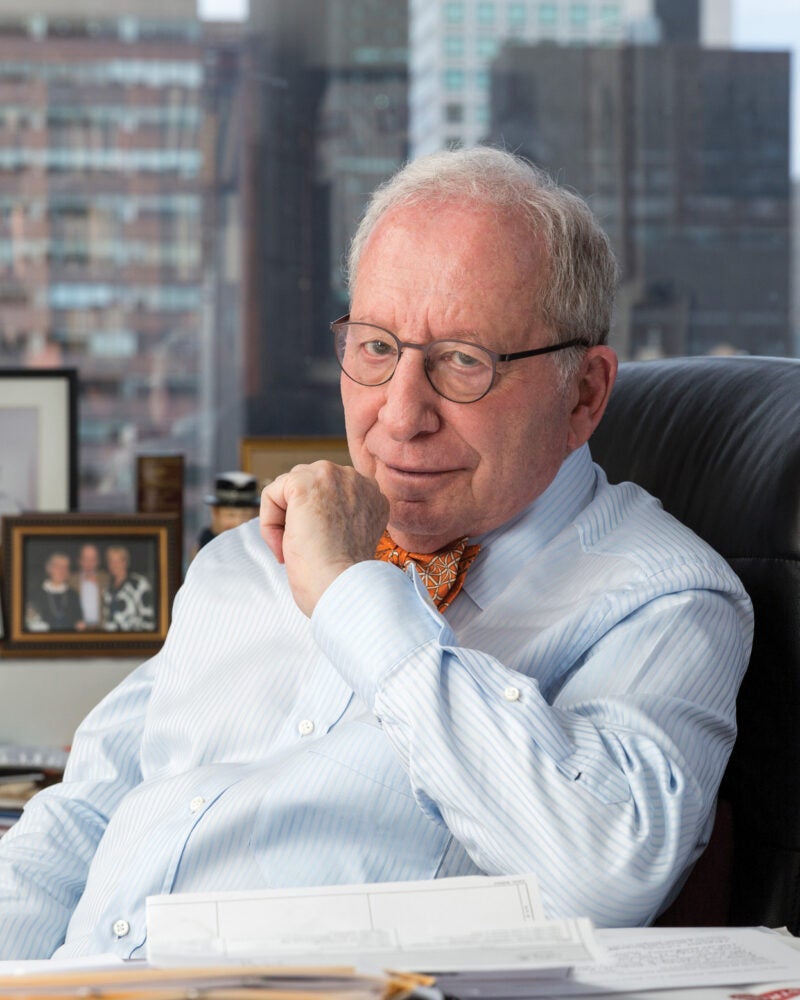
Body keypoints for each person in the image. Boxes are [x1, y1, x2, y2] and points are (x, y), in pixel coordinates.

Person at [0, 147, 752, 960]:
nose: (399, 416)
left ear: (585, 394)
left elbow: (602, 871)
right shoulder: (248, 559)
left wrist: (354, 594)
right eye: (375, 349)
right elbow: (82, 817)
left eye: (464, 361)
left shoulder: (667, 599)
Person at [195, 471, 261, 551]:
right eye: (231, 515)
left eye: (245, 515)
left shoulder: (263, 546)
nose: (238, 522)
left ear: (257, 513)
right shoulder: (205, 550)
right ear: (215, 513)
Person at [24, 551, 85, 633]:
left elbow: (80, 622)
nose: (62, 570)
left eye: (65, 567)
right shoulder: (34, 593)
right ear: (48, 568)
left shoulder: (73, 595)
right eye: (58, 566)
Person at [102, 545, 155, 632]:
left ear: (125, 562)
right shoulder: (107, 590)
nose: (114, 565)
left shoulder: (139, 584)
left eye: (118, 561)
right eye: (111, 561)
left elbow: (148, 620)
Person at [69, 543, 109, 629]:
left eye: (93, 559)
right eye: (85, 558)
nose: (89, 563)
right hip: (79, 629)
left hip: (102, 628)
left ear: (98, 561)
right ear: (79, 560)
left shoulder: (107, 579)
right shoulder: (71, 580)